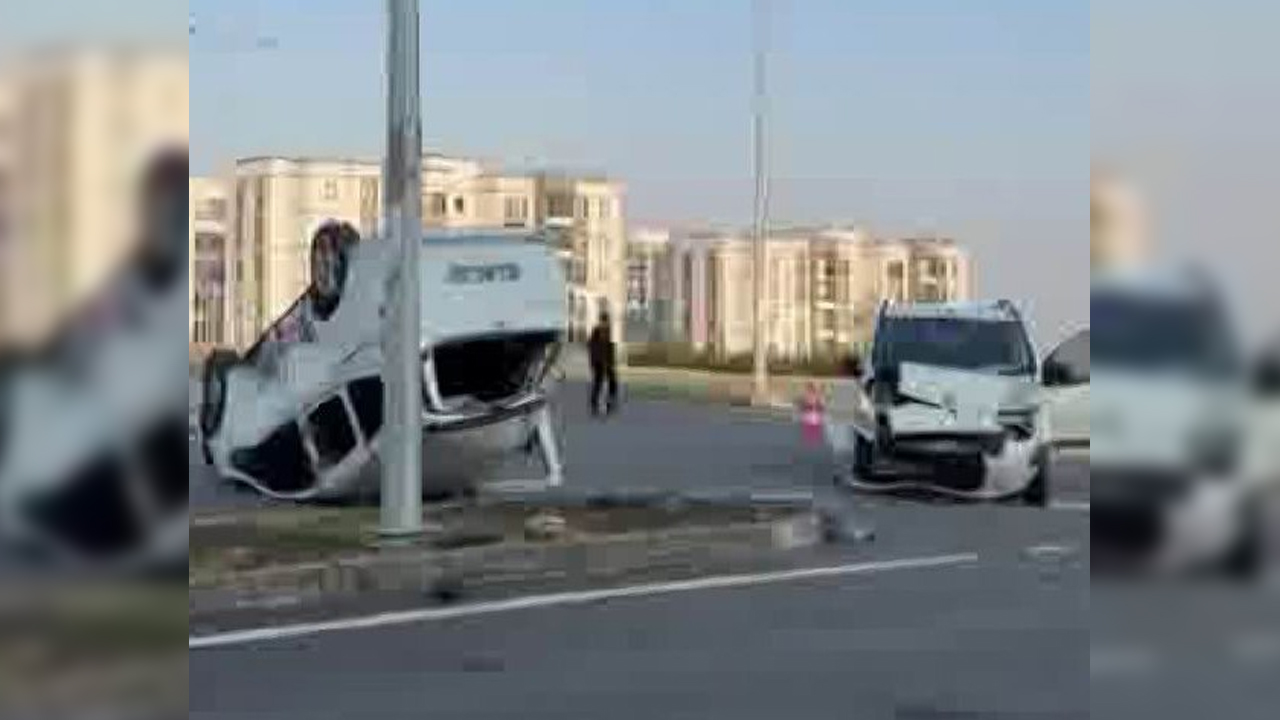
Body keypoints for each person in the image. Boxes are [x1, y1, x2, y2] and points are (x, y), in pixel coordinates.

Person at [587, 310, 618, 416]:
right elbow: (592, 347)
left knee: (613, 382)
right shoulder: (596, 330)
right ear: (601, 320)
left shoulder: (608, 330)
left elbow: (610, 347)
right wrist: (595, 361)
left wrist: (611, 361)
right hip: (599, 362)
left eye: (606, 321)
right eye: (604, 321)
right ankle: (594, 405)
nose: (606, 323)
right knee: (598, 383)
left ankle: (610, 403)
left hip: (607, 361)